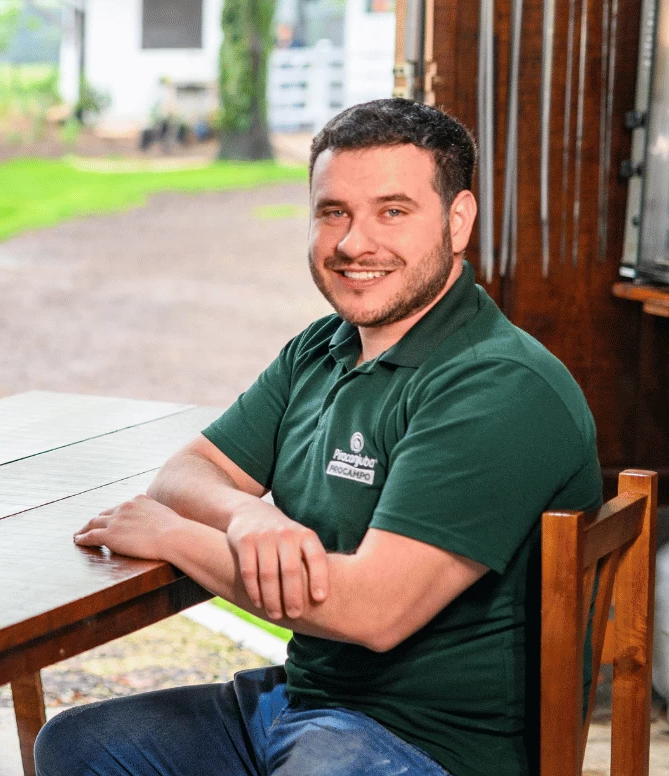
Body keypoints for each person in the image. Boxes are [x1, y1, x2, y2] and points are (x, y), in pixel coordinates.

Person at [43, 99, 600, 776]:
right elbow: (186, 474)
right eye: (333, 212)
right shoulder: (323, 347)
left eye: (392, 211)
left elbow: (371, 611)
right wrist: (249, 516)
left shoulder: (497, 386)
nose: (353, 244)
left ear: (458, 221)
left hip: (429, 746)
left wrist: (175, 539)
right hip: (307, 703)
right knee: (77, 746)